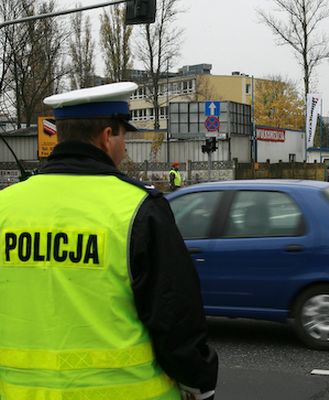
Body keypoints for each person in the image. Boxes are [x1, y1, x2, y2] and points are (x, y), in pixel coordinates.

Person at [0, 82, 218, 400]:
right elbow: (175, 317)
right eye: (124, 137)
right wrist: (199, 383)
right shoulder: (140, 208)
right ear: (107, 136)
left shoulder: (6, 206)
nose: (125, 148)